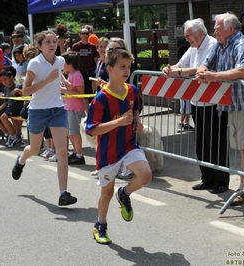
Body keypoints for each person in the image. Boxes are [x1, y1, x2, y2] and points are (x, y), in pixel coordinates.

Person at [195, 12, 244, 205]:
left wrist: (213, 76)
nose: (214, 30)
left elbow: (243, 71)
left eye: (218, 27)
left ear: (231, 28)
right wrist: (202, 69)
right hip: (233, 103)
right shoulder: (220, 45)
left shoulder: (242, 45)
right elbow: (205, 63)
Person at [86, 48, 152, 244]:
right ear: (109, 69)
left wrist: (137, 122)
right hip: (108, 153)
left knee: (146, 175)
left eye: (129, 67)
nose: (126, 71)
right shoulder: (100, 99)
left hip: (129, 145)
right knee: (106, 193)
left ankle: (124, 194)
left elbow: (135, 109)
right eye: (122, 67)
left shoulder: (133, 91)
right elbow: (92, 130)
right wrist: (118, 122)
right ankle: (101, 225)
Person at [162, 18, 229, 194]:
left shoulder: (213, 44)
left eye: (188, 36)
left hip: (214, 101)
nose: (187, 40)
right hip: (197, 100)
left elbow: (200, 69)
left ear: (200, 33)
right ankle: (207, 178)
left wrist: (179, 71)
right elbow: (181, 65)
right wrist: (169, 69)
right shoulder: (193, 47)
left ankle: (221, 180)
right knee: (201, 141)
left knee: (216, 141)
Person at [11, 31, 77, 206]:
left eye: (54, 41)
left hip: (57, 109)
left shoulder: (60, 60)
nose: (52, 44)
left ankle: (63, 193)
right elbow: (26, 91)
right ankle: (21, 160)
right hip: (38, 111)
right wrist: (47, 81)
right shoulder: (35, 63)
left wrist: (64, 83)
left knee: (62, 150)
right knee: (34, 149)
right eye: (48, 42)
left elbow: (58, 73)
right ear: (39, 46)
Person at [60, 51, 86, 165]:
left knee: (75, 132)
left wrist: (65, 90)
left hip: (75, 108)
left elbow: (81, 93)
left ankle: (79, 154)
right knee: (70, 132)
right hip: (69, 106)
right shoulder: (70, 74)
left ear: (70, 64)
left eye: (64, 63)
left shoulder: (77, 75)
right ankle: (76, 152)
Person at [0, 67, 24, 148]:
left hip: (17, 108)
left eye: (5, 79)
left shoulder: (18, 85)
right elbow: (6, 102)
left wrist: (18, 91)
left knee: (4, 117)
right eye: (2, 80)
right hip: (10, 107)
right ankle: (8, 134)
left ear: (11, 77)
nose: (4, 82)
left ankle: (14, 137)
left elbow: (26, 95)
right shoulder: (6, 89)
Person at [71, 27, 99, 112]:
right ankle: (87, 112)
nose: (85, 35)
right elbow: (73, 59)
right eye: (83, 33)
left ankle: (90, 110)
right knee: (83, 93)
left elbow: (96, 60)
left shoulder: (92, 47)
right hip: (79, 73)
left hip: (90, 72)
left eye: (87, 33)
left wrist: (97, 72)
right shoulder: (76, 46)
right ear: (79, 35)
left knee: (91, 92)